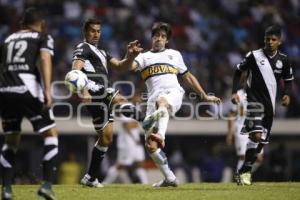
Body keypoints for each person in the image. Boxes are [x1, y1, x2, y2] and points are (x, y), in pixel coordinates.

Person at [128, 22, 221, 187]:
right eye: (156, 35)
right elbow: (129, 67)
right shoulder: (143, 57)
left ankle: (161, 135)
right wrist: (130, 55)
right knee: (151, 146)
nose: (159, 39)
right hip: (152, 100)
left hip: (173, 93)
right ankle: (170, 178)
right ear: (152, 38)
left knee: (161, 102)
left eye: (163, 36)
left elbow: (188, 76)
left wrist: (204, 95)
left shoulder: (174, 54)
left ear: (167, 40)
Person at [70, 18, 144, 187]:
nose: (96, 34)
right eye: (92, 31)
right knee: (119, 99)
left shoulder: (102, 52)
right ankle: (146, 119)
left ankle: (90, 177)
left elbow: (120, 66)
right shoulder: (83, 48)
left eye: (98, 31)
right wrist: (84, 90)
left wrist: (130, 56)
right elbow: (75, 70)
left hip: (98, 95)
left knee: (106, 138)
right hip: (95, 89)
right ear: (85, 33)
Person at [0, 7, 58, 200]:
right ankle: (47, 186)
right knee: (50, 134)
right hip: (28, 89)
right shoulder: (42, 36)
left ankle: (6, 190)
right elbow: (44, 58)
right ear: (41, 24)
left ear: (21, 24)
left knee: (11, 140)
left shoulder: (7, 39)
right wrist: (48, 91)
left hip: (5, 91)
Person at [232, 25, 294, 185]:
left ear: (279, 41)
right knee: (257, 135)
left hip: (269, 107)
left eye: (274, 40)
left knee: (261, 141)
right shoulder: (253, 56)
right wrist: (234, 91)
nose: (270, 42)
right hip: (253, 102)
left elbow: (288, 80)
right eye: (267, 39)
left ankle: (244, 170)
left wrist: (287, 94)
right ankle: (245, 172)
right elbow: (238, 71)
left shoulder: (284, 60)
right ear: (264, 40)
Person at [226, 89, 263, 176]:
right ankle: (240, 177)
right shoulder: (239, 94)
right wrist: (229, 134)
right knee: (243, 156)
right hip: (241, 128)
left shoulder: (259, 91)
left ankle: (242, 174)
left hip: (255, 127)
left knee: (259, 158)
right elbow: (231, 113)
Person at [103, 117, 148, 184]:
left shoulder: (137, 111)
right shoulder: (127, 109)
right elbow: (126, 125)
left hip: (136, 144)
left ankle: (145, 183)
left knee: (140, 164)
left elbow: (137, 124)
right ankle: (105, 183)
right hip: (127, 143)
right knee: (120, 165)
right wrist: (134, 135)